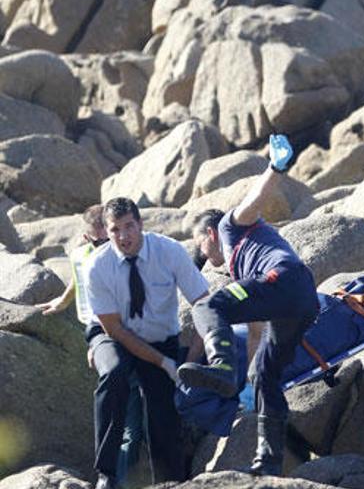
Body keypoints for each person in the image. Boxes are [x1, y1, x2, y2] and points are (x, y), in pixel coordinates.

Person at [181, 134, 319, 475]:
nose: (202, 253)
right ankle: (269, 460)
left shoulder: (230, 226)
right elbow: (256, 333)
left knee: (204, 308)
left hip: (281, 279)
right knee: (263, 376)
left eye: (200, 244)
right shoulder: (242, 274)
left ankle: (222, 369)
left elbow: (255, 199)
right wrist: (243, 383)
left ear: (209, 234)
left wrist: (275, 167)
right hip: (300, 301)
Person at [85, 198, 209, 489]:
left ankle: (170, 482)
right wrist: (164, 363)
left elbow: (205, 305)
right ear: (107, 231)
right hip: (110, 334)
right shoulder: (97, 267)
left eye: (129, 226)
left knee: (163, 419)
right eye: (115, 230)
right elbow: (114, 329)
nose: (124, 236)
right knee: (113, 372)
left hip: (159, 338)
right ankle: (107, 473)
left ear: (141, 224)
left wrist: (188, 362)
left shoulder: (170, 252)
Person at [36, 205, 144, 487]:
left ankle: (116, 478)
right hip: (102, 332)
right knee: (120, 394)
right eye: (99, 241)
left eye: (110, 239)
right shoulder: (82, 256)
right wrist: (63, 301)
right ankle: (109, 476)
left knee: (134, 413)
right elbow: (79, 277)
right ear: (87, 238)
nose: (107, 246)